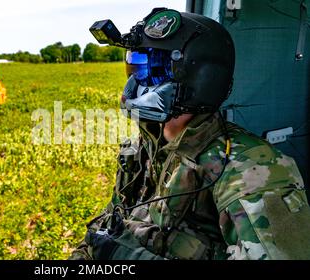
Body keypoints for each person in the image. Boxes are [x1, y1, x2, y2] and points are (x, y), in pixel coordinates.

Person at [69, 8, 310, 260]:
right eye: (136, 68)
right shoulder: (147, 145)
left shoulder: (251, 171)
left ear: (202, 77)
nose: (137, 84)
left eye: (153, 70)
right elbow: (111, 223)